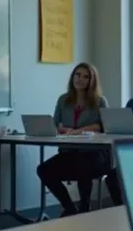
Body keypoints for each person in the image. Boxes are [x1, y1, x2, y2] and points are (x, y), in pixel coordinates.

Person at [36, 62, 109, 217]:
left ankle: (84, 209)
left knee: (83, 165)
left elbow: (103, 125)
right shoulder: (63, 100)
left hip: (93, 154)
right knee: (43, 170)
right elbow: (55, 123)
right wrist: (62, 130)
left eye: (85, 76)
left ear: (92, 81)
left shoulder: (99, 101)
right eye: (77, 75)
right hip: (68, 152)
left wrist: (79, 131)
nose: (80, 79)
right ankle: (70, 208)